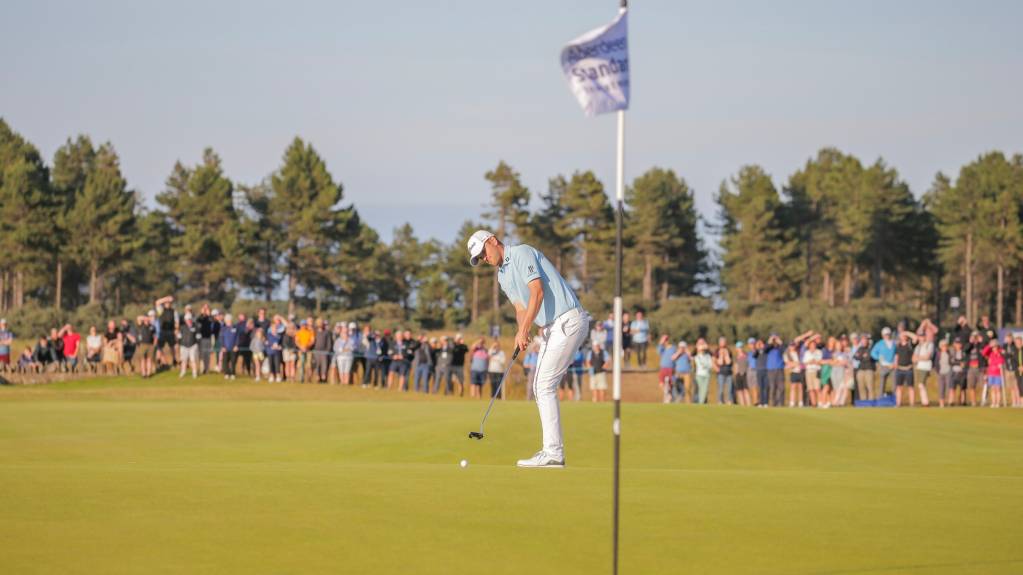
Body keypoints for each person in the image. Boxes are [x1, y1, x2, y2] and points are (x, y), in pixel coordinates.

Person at [468, 229, 588, 468]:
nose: (484, 259)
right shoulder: (502, 276)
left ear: (492, 241)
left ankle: (553, 453)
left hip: (567, 319)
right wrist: (520, 330)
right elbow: (521, 307)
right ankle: (552, 452)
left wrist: (525, 330)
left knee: (543, 385)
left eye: (483, 253)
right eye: (480, 258)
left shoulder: (521, 253)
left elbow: (538, 291)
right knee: (539, 385)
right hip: (552, 327)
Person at [870, 327, 897, 397]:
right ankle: (880, 398)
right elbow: (873, 353)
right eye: (885, 334)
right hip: (883, 365)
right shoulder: (879, 344)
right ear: (883, 335)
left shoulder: (894, 343)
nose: (887, 336)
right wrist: (879, 358)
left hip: (893, 366)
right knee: (882, 383)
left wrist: (894, 363)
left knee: (894, 383)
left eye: (888, 334)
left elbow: (897, 354)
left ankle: (895, 399)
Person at [911, 331, 934, 407]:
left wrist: (918, 358)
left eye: (922, 336)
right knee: (920, 385)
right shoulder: (918, 347)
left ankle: (925, 402)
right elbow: (913, 359)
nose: (921, 338)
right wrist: (920, 358)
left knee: (921, 385)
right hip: (919, 367)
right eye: (920, 336)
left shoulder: (929, 344)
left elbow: (927, 357)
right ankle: (924, 401)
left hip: (926, 367)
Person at [893, 331, 915, 407]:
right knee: (899, 387)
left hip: (909, 369)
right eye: (902, 335)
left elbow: (915, 338)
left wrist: (906, 332)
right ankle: (898, 403)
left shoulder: (910, 345)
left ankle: (912, 404)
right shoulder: (898, 346)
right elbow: (896, 356)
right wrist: (895, 364)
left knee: (910, 387)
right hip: (899, 369)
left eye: (904, 336)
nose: (903, 336)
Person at [981, 339, 1005, 408]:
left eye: (995, 346)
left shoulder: (1000, 353)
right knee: (993, 389)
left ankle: (998, 403)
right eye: (993, 347)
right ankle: (993, 402)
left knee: (998, 389)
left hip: (998, 374)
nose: (994, 348)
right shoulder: (990, 354)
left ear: (997, 347)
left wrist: (1000, 364)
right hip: (991, 373)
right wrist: (989, 345)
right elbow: (983, 352)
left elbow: (1002, 361)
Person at [765, 334, 787, 407]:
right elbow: (765, 349)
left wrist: (780, 341)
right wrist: (770, 341)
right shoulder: (769, 348)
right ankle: (773, 403)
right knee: (772, 387)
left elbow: (784, 350)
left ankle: (781, 403)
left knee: (781, 387)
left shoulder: (780, 348)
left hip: (780, 368)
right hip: (771, 369)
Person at [853, 334, 875, 401]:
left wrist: (861, 356)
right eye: (863, 340)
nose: (864, 341)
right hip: (861, 370)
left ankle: (871, 402)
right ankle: (863, 402)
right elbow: (855, 357)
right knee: (861, 387)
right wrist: (862, 356)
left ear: (868, 341)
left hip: (869, 369)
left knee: (870, 387)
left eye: (865, 340)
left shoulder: (871, 348)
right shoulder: (860, 348)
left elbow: (868, 358)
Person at [802, 338, 823, 407]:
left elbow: (820, 361)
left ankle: (820, 403)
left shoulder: (819, 352)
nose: (812, 346)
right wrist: (810, 362)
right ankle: (814, 404)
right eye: (811, 345)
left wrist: (815, 361)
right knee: (811, 389)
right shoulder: (807, 353)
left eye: (814, 345)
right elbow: (804, 363)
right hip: (809, 372)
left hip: (816, 371)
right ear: (809, 346)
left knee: (817, 388)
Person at [178, 314, 199, 379]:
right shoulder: (182, 327)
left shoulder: (195, 327)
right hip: (184, 346)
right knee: (184, 360)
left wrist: (197, 343)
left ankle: (194, 372)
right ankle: (183, 371)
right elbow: (179, 337)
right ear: (185, 320)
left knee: (193, 360)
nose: (188, 321)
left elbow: (198, 336)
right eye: (187, 320)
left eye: (189, 319)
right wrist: (180, 344)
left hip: (193, 345)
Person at [692, 339, 713, 404]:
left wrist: (707, 347)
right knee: (699, 390)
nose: (702, 350)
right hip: (698, 375)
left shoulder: (708, 356)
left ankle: (701, 403)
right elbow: (693, 357)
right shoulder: (696, 356)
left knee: (704, 390)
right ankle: (699, 402)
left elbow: (710, 364)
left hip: (706, 375)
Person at [714, 337, 734, 405]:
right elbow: (719, 362)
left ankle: (729, 401)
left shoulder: (728, 350)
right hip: (721, 373)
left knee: (729, 388)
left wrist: (726, 354)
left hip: (729, 372)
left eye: (724, 341)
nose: (723, 343)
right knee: (721, 388)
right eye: (721, 342)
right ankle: (720, 401)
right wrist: (721, 355)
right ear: (719, 343)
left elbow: (729, 362)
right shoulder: (717, 350)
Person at [312, 319, 332, 384]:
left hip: (324, 352)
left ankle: (324, 379)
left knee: (324, 366)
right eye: (319, 323)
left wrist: (328, 350)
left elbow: (329, 342)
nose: (320, 324)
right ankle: (318, 378)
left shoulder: (327, 332)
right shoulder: (315, 332)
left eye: (321, 323)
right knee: (317, 365)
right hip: (316, 351)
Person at [657, 334, 675, 403]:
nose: (665, 342)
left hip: (670, 368)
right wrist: (660, 343)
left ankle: (669, 396)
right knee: (661, 383)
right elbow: (658, 351)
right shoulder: (662, 348)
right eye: (664, 340)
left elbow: (674, 357)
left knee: (670, 384)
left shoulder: (673, 348)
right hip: (663, 368)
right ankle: (667, 395)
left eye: (665, 340)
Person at [784, 342, 804, 407]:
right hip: (793, 372)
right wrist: (796, 363)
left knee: (800, 387)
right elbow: (788, 364)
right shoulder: (787, 354)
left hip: (800, 371)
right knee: (793, 387)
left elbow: (801, 362)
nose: (792, 347)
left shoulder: (798, 353)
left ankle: (800, 402)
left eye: (793, 346)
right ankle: (792, 402)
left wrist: (795, 363)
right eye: (791, 346)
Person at [220, 314, 239, 380]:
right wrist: (223, 346)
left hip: (233, 348)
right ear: (225, 321)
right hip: (225, 348)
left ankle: (233, 373)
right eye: (227, 320)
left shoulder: (235, 328)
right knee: (225, 361)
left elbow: (237, 337)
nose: (229, 321)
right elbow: (221, 338)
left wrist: (236, 345)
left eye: (230, 320)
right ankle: (226, 373)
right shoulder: (223, 329)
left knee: (233, 361)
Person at [950, 338, 967, 406]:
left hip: (961, 372)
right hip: (954, 372)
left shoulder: (963, 352)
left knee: (962, 388)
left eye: (959, 343)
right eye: (956, 343)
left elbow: (964, 362)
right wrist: (959, 363)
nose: (957, 345)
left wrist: (957, 362)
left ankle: (963, 402)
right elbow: (951, 362)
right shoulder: (952, 352)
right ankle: (951, 401)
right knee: (952, 388)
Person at [936, 339, 953, 408]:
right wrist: (937, 370)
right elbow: (936, 363)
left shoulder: (949, 353)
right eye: (943, 346)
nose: (944, 347)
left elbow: (952, 362)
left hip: (948, 372)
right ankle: (941, 403)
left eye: (945, 346)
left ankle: (949, 402)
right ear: (940, 347)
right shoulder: (938, 354)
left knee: (949, 387)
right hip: (940, 372)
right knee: (941, 388)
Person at [733, 341, 751, 407]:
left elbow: (749, 364)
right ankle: (743, 405)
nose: (740, 349)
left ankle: (748, 405)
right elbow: (735, 366)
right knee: (740, 391)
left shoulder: (747, 355)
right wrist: (735, 375)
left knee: (746, 390)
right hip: (738, 375)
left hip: (745, 374)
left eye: (740, 347)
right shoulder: (736, 357)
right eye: (738, 347)